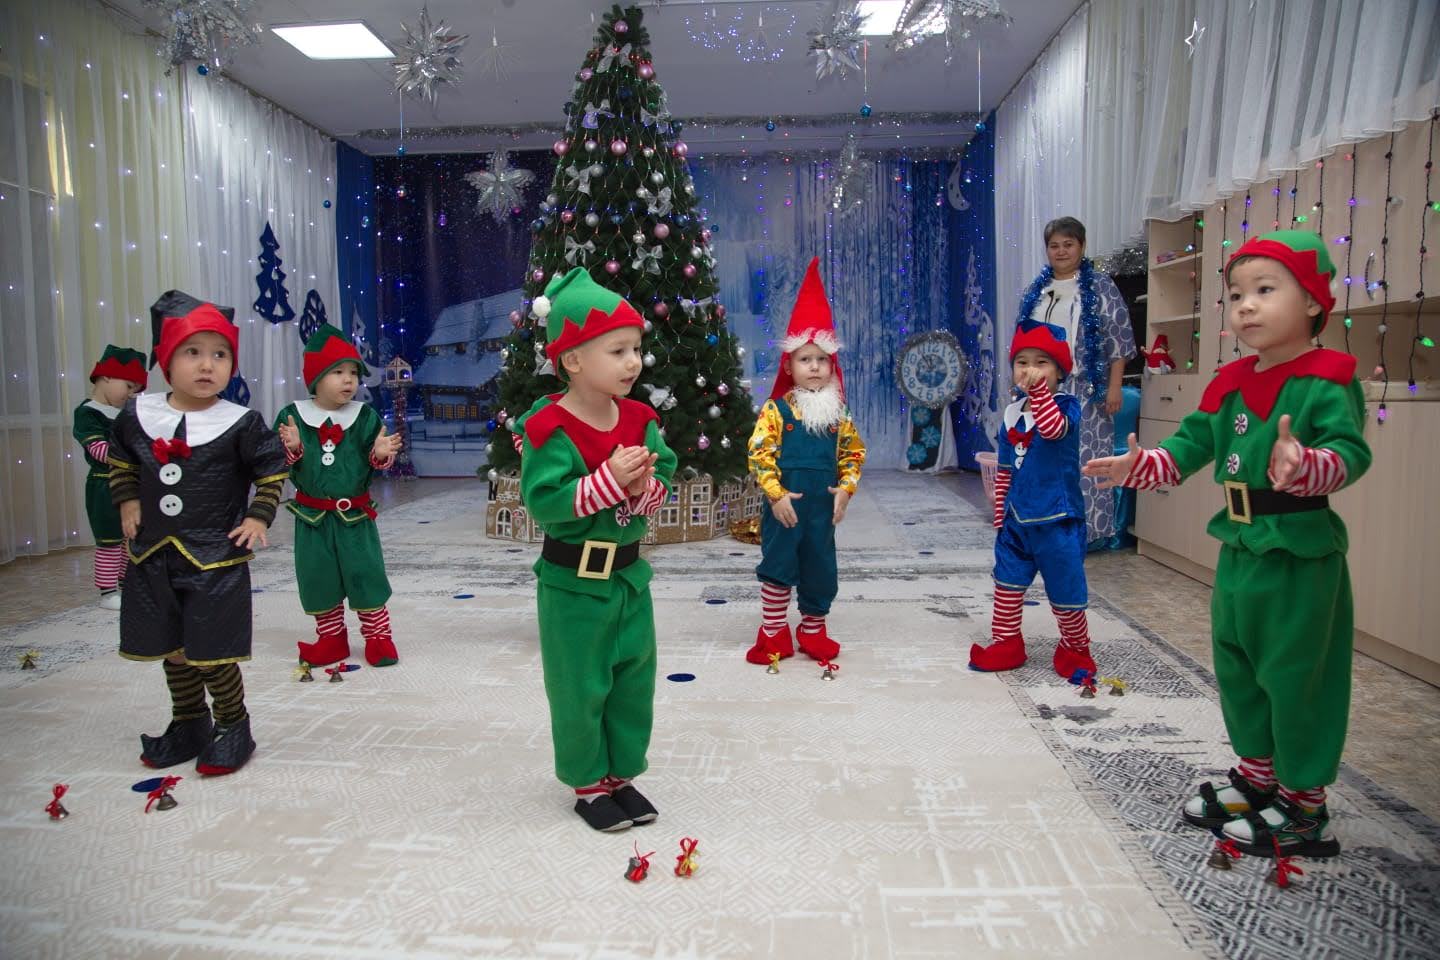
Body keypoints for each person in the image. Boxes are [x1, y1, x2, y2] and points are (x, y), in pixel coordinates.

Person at [1083, 231, 1371, 860]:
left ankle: (1305, 808)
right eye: (1237, 294)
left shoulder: (1328, 378)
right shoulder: (1232, 382)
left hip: (1298, 552)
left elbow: (1350, 454)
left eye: (1265, 290)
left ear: (1313, 301)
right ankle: (1259, 780)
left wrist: (1306, 463)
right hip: (1239, 547)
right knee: (1239, 667)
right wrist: (1139, 465)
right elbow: (1188, 448)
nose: (1246, 305)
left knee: (1296, 677)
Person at [514, 267, 677, 832]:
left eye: (636, 349)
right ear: (573, 359)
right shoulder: (549, 427)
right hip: (573, 587)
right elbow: (545, 500)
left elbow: (665, 473)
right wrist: (607, 481)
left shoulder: (639, 419)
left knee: (633, 681)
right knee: (579, 685)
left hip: (629, 581)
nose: (633, 362)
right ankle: (588, 783)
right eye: (618, 350)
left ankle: (620, 775)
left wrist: (643, 487)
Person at [107, 291, 288, 776]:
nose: (207, 365)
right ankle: (189, 721)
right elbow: (120, 460)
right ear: (167, 361)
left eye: (220, 355)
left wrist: (258, 516)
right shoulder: (138, 416)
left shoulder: (241, 422)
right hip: (154, 555)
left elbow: (272, 470)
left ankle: (232, 725)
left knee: (211, 650)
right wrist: (127, 500)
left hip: (214, 558)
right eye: (193, 352)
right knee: (172, 648)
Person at [745, 257, 865, 666]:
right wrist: (775, 494)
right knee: (779, 564)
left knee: (820, 567)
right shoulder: (776, 411)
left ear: (832, 365)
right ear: (789, 365)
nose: (814, 366)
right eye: (804, 359)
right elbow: (759, 453)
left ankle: (813, 628)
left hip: (821, 509)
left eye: (822, 359)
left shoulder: (839, 413)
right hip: (785, 507)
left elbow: (853, 453)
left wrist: (846, 490)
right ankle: (773, 629)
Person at [969, 320, 1095, 678]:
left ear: (1059, 372)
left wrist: (1039, 393)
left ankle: (1075, 647)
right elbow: (1005, 467)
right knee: (1007, 584)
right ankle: (1007, 641)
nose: (1030, 370)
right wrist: (1000, 514)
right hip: (1017, 519)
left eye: (1042, 363)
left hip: (1057, 519)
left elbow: (1053, 430)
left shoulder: (1067, 406)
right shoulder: (1012, 412)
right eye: (1022, 362)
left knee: (1065, 588)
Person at [275, 324, 402, 668]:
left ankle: (378, 637)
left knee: (366, 574)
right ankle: (331, 638)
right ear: (316, 378)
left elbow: (375, 461)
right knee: (318, 577)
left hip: (354, 517)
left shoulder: (364, 416)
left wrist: (379, 453)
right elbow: (280, 461)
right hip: (312, 518)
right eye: (338, 372)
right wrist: (293, 448)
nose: (348, 380)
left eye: (353, 373)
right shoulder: (293, 416)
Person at [1015, 217, 1136, 545]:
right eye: (1054, 245)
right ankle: (1044, 530)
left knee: (1085, 464)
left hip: (1088, 389)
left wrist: (1114, 385)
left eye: (1068, 244)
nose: (1061, 251)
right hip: (1042, 390)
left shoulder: (1100, 287)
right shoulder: (1036, 292)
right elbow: (1022, 342)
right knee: (1042, 460)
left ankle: (1086, 535)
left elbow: (1119, 337)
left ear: (1082, 246)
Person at [73, 345, 147, 609]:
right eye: (127, 386)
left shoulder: (127, 413)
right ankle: (107, 592)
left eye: (134, 390)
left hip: (132, 484)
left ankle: (128, 584)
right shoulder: (87, 413)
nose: (129, 394)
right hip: (105, 484)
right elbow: (98, 449)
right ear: (106, 376)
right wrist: (134, 454)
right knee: (109, 540)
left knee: (130, 537)